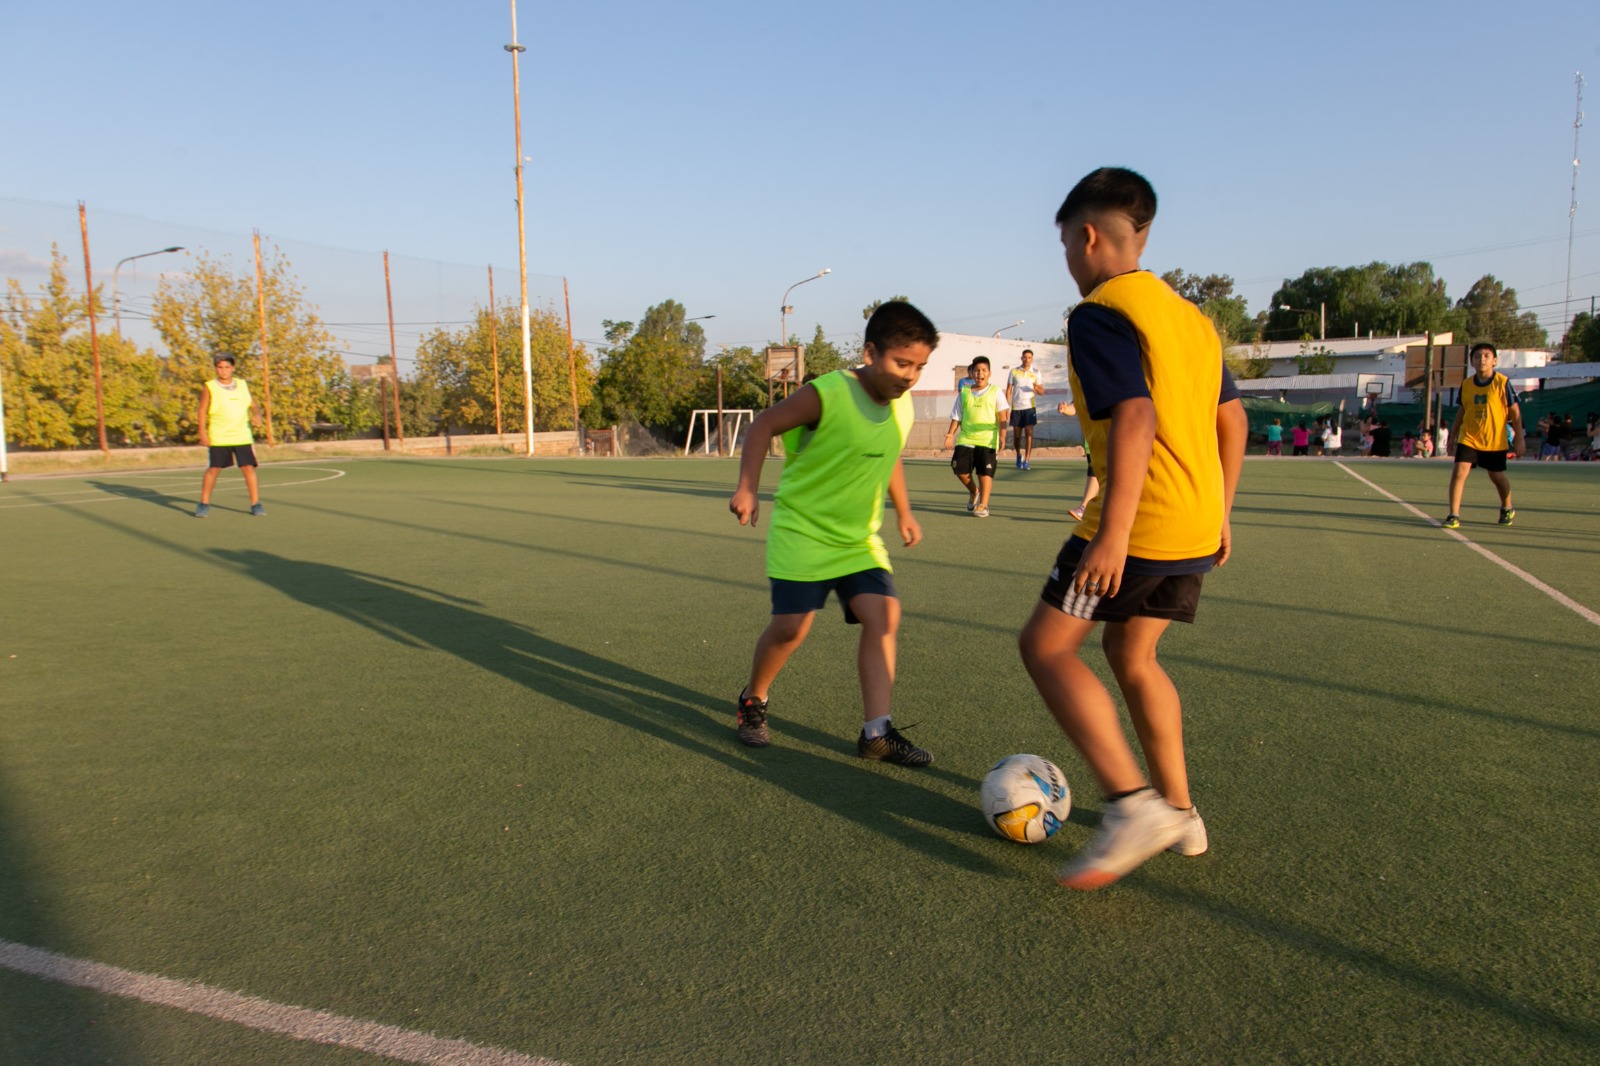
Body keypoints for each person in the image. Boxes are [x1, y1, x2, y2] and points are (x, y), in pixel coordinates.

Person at [1018, 167, 1247, 891]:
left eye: (1065, 244)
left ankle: (1132, 804)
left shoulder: (1099, 313)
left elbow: (1136, 416)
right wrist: (1221, 511)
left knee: (1046, 647)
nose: (1067, 259)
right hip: (1194, 524)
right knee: (1133, 653)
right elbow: (1232, 420)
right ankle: (1181, 811)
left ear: (1087, 236)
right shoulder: (1192, 320)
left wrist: (1111, 534)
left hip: (1139, 522)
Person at [728, 300, 938, 764]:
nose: (910, 376)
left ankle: (876, 733)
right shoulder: (827, 393)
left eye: (919, 367)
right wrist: (748, 488)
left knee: (884, 615)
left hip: (858, 541)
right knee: (791, 628)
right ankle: (753, 700)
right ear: (870, 352)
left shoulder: (901, 406)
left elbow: (889, 456)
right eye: (902, 363)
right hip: (802, 533)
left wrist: (904, 512)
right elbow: (763, 425)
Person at [1441, 342, 1524, 529]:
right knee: (1459, 471)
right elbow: (1462, 411)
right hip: (1469, 437)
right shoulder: (1467, 384)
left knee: (1496, 476)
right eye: (1477, 356)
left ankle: (1507, 506)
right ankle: (1453, 515)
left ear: (1494, 360)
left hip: (1494, 440)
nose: (1482, 360)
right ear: (1472, 361)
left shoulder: (1502, 383)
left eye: (1486, 356)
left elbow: (1515, 413)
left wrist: (1519, 438)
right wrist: (1453, 436)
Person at [195, 353, 265, 518]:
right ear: (216, 368)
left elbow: (253, 405)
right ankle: (203, 503)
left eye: (227, 367)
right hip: (220, 435)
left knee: (248, 468)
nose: (223, 370)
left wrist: (257, 415)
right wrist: (202, 432)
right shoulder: (210, 386)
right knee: (214, 469)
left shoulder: (242, 384)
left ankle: (256, 504)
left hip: (241, 435)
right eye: (220, 367)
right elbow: (202, 410)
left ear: (232, 368)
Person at [943, 355, 1010, 517]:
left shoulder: (996, 391)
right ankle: (974, 491)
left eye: (984, 370)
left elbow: (1002, 417)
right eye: (977, 370)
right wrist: (950, 434)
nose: (980, 373)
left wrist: (1002, 436)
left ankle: (983, 505)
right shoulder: (964, 393)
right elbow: (957, 416)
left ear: (989, 373)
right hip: (966, 437)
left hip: (988, 439)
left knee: (984, 472)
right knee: (958, 468)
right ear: (972, 373)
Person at [1057, 400, 1101, 521]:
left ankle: (1085, 508)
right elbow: (1075, 407)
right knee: (1094, 471)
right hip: (1093, 439)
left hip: (1110, 437)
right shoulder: (1084, 390)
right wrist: (1065, 409)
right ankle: (1085, 508)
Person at [1006, 348, 1046, 470]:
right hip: (1016, 408)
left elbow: (1041, 392)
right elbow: (1009, 389)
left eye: (1029, 358)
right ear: (1021, 358)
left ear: (1032, 359)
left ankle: (1027, 460)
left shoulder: (1036, 372)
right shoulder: (1014, 371)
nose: (1027, 359)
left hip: (1029, 408)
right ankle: (1019, 455)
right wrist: (1006, 407)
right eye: (1025, 357)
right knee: (1017, 437)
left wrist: (1036, 388)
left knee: (1029, 433)